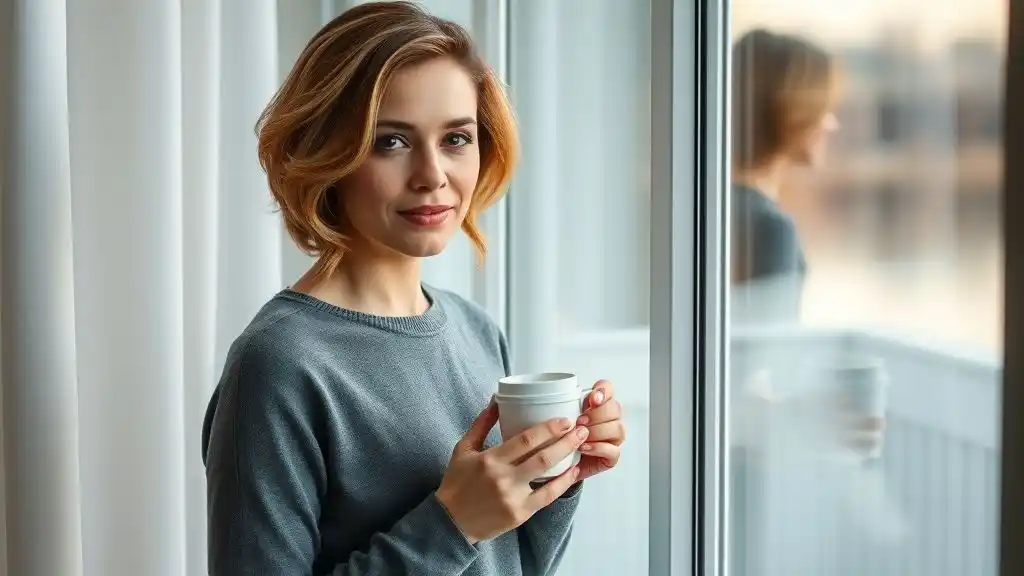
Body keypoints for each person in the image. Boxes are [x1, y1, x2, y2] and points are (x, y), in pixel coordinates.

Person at [200, 2, 627, 575]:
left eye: (456, 138)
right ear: (328, 153)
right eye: (391, 142)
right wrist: (453, 524)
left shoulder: (477, 330)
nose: (433, 174)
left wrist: (558, 474)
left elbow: (511, 564)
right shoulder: (278, 364)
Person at [729, 28, 841, 325]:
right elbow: (768, 361)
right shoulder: (769, 228)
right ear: (793, 116)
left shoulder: (705, 208)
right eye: (824, 109)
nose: (832, 124)